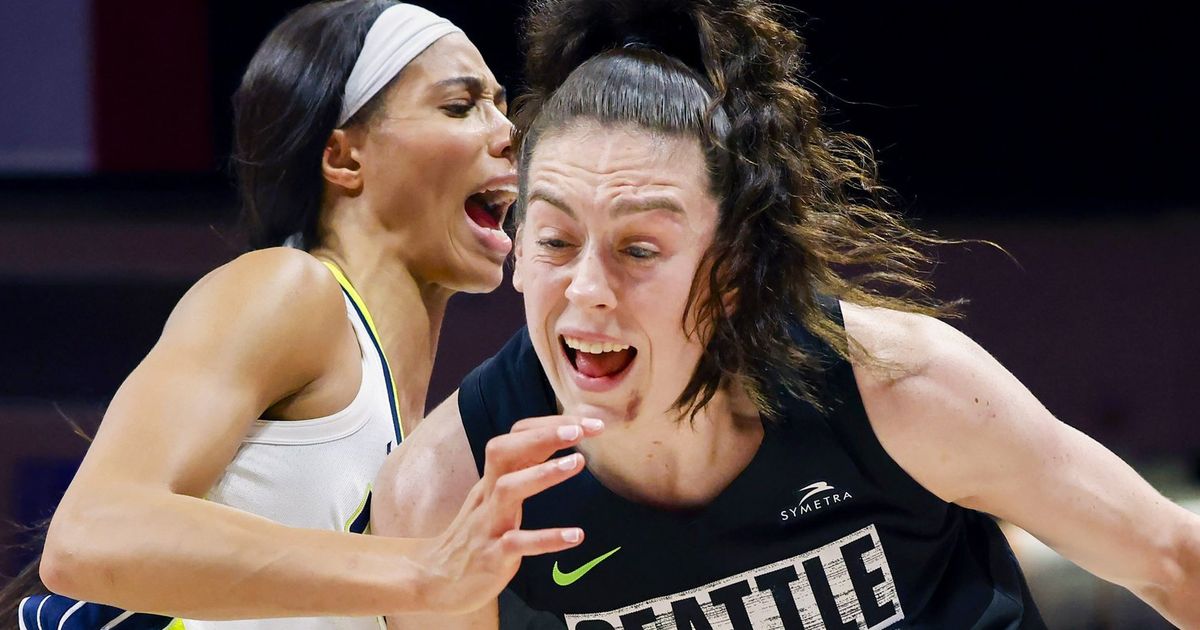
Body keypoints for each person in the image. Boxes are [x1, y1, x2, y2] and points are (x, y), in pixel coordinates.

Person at [374, 0, 1200, 628]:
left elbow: (1172, 559)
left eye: (639, 250)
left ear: (733, 267)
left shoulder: (899, 388)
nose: (587, 288)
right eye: (553, 239)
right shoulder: (441, 495)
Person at [7, 2, 601, 629]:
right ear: (345, 159)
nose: (508, 133)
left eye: (501, 107)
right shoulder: (290, 289)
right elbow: (92, 534)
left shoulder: (429, 446)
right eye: (459, 106)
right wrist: (422, 574)